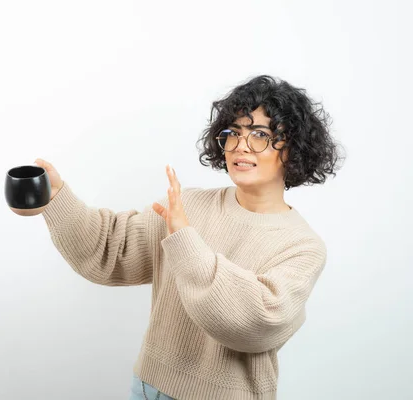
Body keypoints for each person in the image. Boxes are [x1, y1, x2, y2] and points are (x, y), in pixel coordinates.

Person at [31, 75, 342, 400]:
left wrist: (184, 237)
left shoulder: (302, 246)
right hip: (147, 388)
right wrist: (57, 197)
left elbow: (254, 324)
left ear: (293, 149)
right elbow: (112, 249)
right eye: (233, 133)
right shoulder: (187, 205)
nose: (241, 145)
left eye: (260, 134)